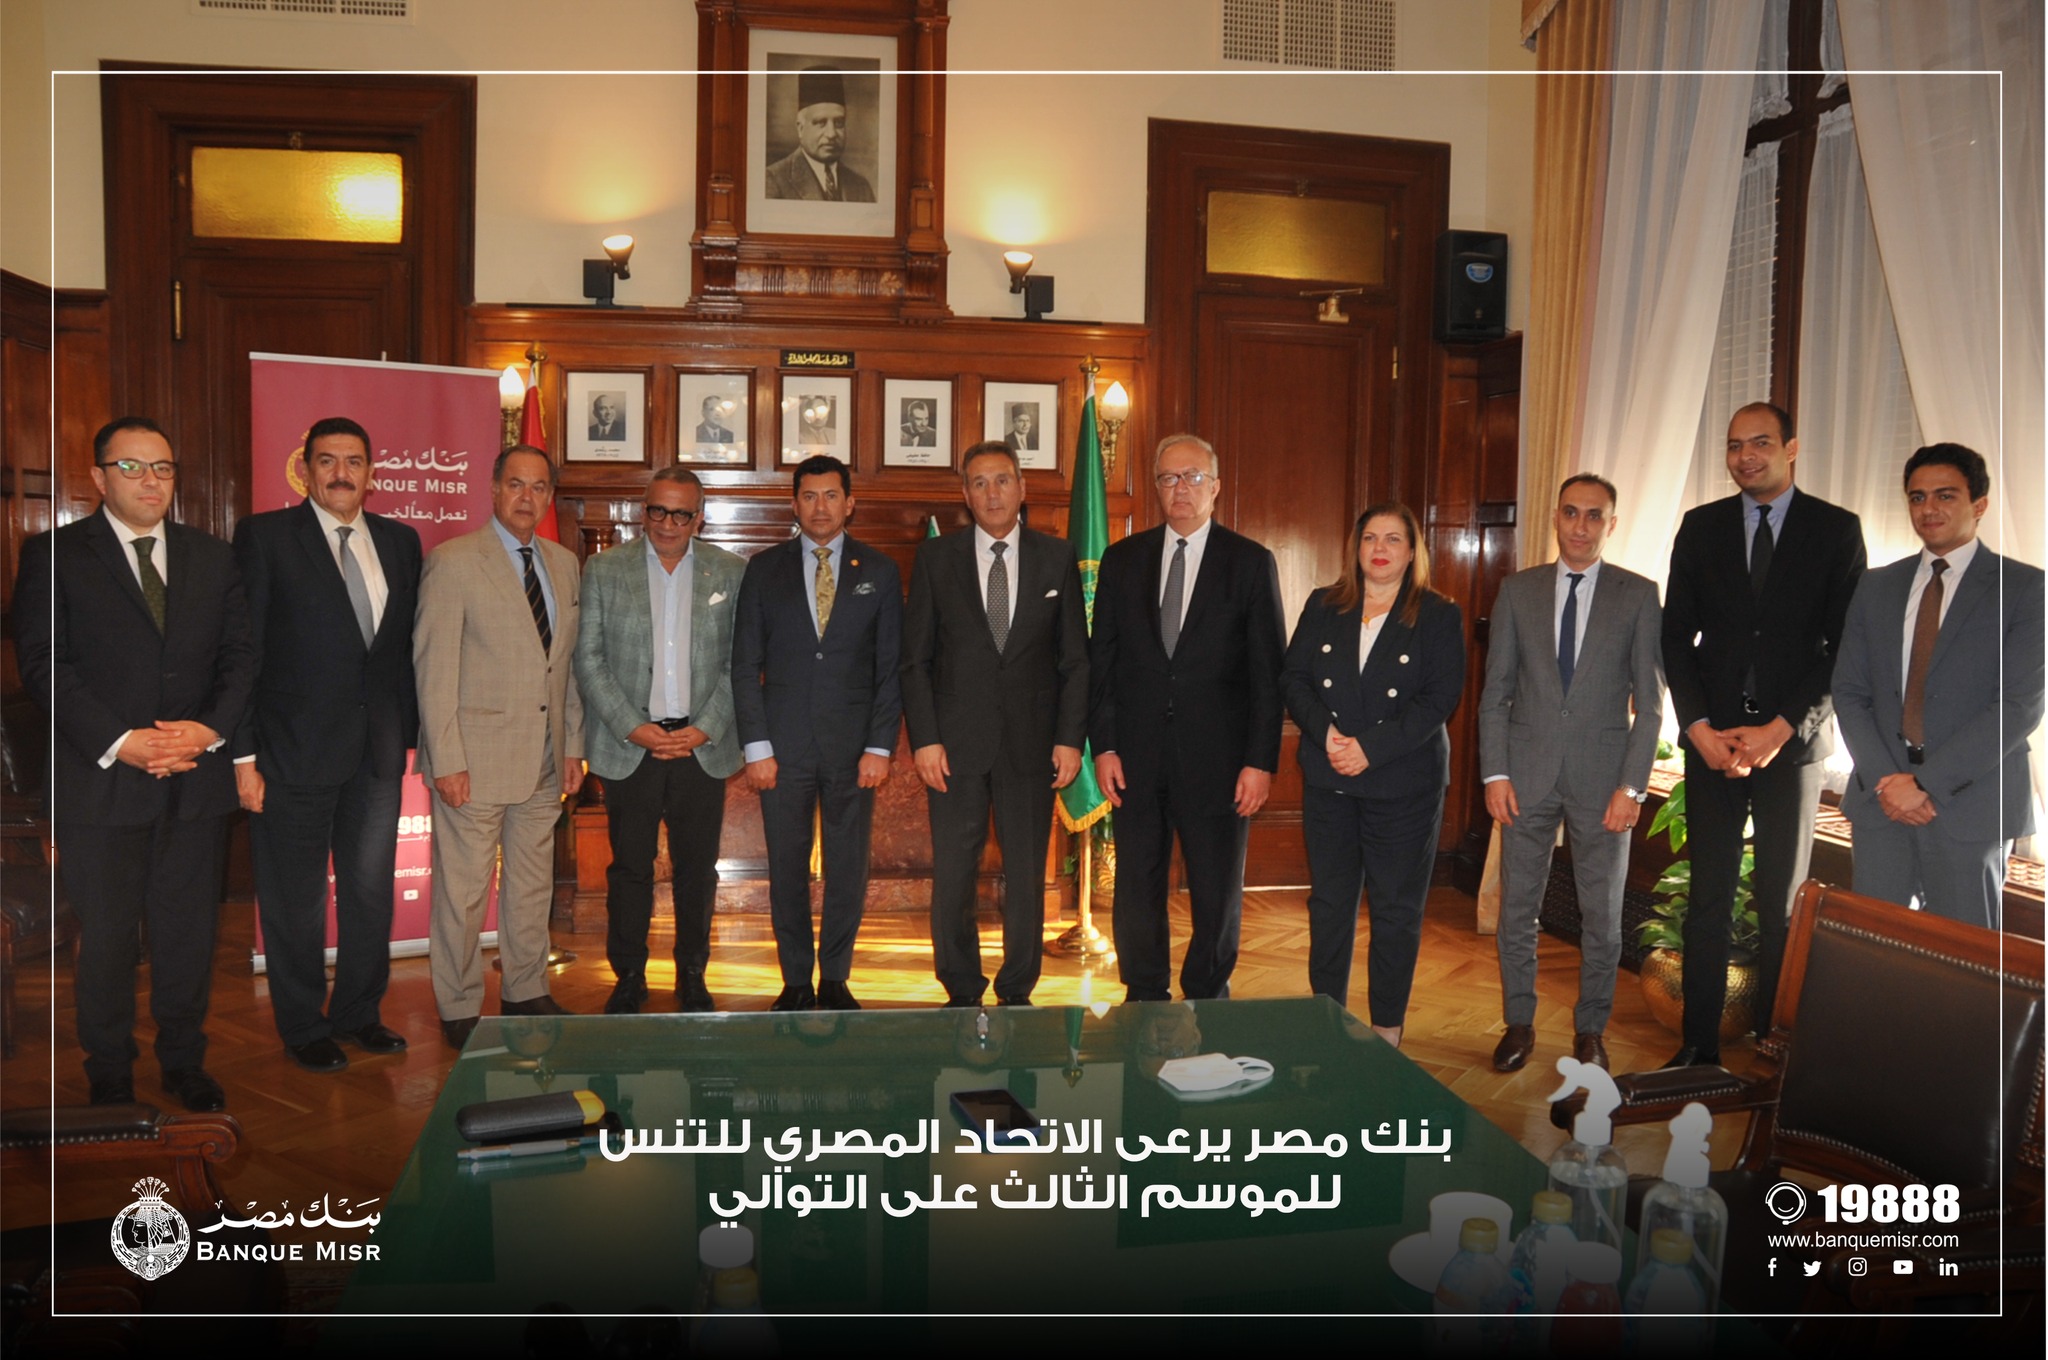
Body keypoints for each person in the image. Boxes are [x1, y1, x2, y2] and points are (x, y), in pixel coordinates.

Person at [14, 417, 255, 1109]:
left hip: (194, 781)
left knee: (187, 937)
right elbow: (44, 665)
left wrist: (206, 731)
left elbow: (241, 657)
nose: (151, 481)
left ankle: (183, 1061)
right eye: (132, 467)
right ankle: (109, 1071)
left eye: (163, 468)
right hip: (100, 784)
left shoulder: (212, 555)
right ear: (98, 477)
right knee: (109, 941)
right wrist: (124, 741)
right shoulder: (54, 554)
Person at [1662, 402, 1865, 1067]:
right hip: (1713, 743)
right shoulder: (1702, 526)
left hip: (1792, 746)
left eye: (1760, 443)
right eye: (1734, 445)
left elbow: (1843, 648)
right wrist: (1697, 727)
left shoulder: (1835, 530)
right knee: (1708, 899)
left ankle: (1772, 1050)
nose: (1745, 456)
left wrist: (1781, 728)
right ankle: (1698, 1047)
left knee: (1780, 903)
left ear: (1791, 447)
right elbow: (1676, 637)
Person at [231, 415, 420, 1072]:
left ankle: (359, 1012)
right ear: (306, 469)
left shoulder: (400, 541)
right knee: (296, 898)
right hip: (291, 752)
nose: (342, 473)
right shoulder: (265, 538)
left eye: (354, 461)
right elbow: (244, 652)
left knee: (370, 891)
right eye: (328, 460)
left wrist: (410, 737)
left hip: (376, 753)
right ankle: (303, 1024)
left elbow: (401, 653)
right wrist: (244, 754)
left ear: (372, 473)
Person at [1477, 475, 1663, 1073]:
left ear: (1612, 524)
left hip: (1604, 783)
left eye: (1594, 515)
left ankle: (1590, 1031)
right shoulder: (1518, 591)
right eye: (1571, 513)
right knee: (1517, 909)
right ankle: (1519, 1022)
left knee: (1602, 916)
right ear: (1555, 518)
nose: (1581, 526)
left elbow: (1650, 704)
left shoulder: (1638, 595)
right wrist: (1495, 774)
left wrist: (1632, 787)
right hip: (1524, 777)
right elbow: (1495, 693)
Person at [1090, 434, 1285, 1003]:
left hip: (1220, 761)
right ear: (1156, 488)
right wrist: (1105, 746)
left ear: (1215, 486)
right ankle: (1143, 991)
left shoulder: (1249, 563)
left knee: (1216, 889)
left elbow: (1268, 674)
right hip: (1136, 756)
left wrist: (1259, 762)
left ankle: (1207, 991)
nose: (1181, 488)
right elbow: (1103, 663)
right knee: (1136, 884)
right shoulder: (1122, 560)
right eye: (1169, 478)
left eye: (1193, 476)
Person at [902, 441, 1087, 1006]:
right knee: (954, 873)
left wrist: (1069, 739)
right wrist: (925, 740)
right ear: (965, 494)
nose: (992, 493)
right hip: (954, 747)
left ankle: (1017, 989)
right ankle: (960, 987)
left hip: (1033, 745)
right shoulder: (937, 559)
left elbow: (1075, 661)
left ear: (1022, 488)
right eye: (979, 483)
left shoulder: (1057, 557)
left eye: (1002, 480)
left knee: (1027, 874)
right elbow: (915, 661)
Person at [414, 445, 585, 1048]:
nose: (526, 497)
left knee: (532, 887)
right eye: (515, 484)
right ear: (492, 488)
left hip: (545, 758)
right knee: (462, 894)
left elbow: (565, 667)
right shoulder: (454, 561)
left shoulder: (564, 563)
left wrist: (573, 745)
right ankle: (459, 1003)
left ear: (549, 497)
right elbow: (434, 668)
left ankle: (526, 989)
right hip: (474, 762)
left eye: (538, 487)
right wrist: (447, 760)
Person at [1833, 443, 2044, 930]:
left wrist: (1926, 785)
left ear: (1979, 504)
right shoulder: (1876, 585)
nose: (1929, 508)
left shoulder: (2024, 589)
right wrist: (1890, 782)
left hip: (1972, 805)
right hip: (1882, 802)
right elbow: (1849, 692)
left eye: (1945, 495)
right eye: (1917, 497)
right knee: (1873, 949)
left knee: (1962, 959)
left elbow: (2018, 706)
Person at [1280, 503, 1464, 1047]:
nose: (1379, 549)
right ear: (1355, 547)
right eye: (1369, 538)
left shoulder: (1437, 614)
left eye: (1393, 539)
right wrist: (1327, 735)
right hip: (1330, 776)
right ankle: (1325, 1019)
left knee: (1395, 911)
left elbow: (1439, 698)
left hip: (1403, 785)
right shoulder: (1324, 604)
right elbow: (1293, 679)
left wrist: (1370, 749)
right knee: (1329, 904)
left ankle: (1386, 1031)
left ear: (1412, 551)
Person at [732, 454, 902, 1010]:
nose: (820, 507)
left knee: (848, 866)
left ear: (850, 503)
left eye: (831, 495)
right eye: (809, 496)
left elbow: (890, 668)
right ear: (794, 504)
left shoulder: (878, 570)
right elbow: (744, 664)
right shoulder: (764, 569)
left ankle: (835, 977)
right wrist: (756, 746)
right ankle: (796, 980)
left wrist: (879, 745)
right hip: (781, 749)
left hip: (855, 750)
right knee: (786, 866)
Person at [574, 467, 747, 1013]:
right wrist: (633, 726)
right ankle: (629, 975)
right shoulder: (604, 569)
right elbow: (589, 658)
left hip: (701, 746)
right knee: (630, 868)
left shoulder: (731, 572)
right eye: (657, 511)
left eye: (680, 513)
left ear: (699, 518)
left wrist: (707, 726)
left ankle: (692, 972)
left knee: (698, 869)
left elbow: (740, 662)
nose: (667, 524)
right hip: (631, 745)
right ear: (641, 511)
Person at [762, 66, 876, 203]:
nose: (831, 134)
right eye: (821, 122)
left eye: (839, 123)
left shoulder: (861, 186)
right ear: (800, 128)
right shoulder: (773, 180)